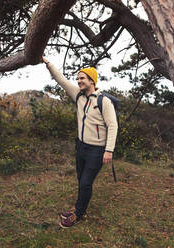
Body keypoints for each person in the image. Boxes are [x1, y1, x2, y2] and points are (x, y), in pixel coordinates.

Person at [41, 57, 118, 228]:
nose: (79, 81)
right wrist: (48, 63)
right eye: (78, 78)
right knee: (81, 179)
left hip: (97, 150)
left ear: (92, 80)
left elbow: (113, 125)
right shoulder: (78, 95)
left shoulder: (103, 101)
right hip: (81, 146)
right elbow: (60, 79)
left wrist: (109, 150)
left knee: (85, 182)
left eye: (82, 78)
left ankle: (79, 214)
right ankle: (79, 207)